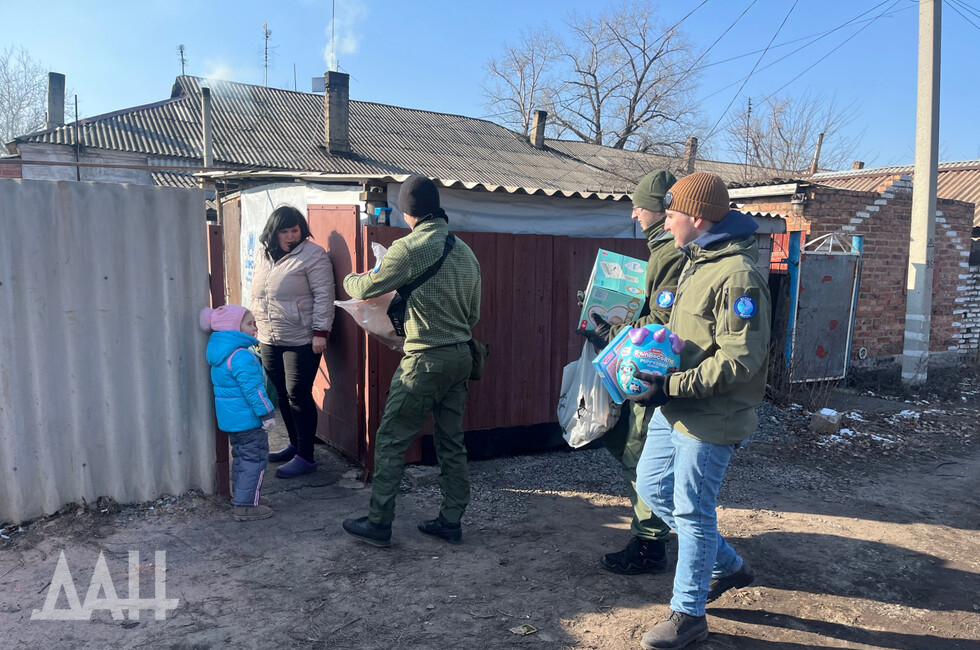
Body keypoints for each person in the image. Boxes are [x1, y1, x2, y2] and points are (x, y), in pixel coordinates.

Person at [626, 172, 770, 650]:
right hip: (678, 403)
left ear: (698, 217)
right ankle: (728, 565)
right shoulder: (696, 260)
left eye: (670, 214)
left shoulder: (737, 274)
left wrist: (671, 384)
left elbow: (739, 361)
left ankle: (688, 617)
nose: (663, 221)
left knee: (692, 511)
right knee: (650, 486)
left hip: (712, 414)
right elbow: (680, 328)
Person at [341, 175, 481, 547]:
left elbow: (367, 287)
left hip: (424, 361)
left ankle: (379, 523)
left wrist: (351, 278)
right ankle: (451, 520)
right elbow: (474, 314)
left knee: (390, 439)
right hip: (460, 357)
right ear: (437, 208)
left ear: (406, 212)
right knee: (451, 441)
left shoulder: (408, 248)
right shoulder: (466, 252)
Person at [578, 169, 684, 576]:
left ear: (659, 210)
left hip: (654, 372)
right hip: (647, 368)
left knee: (640, 455)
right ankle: (650, 535)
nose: (634, 214)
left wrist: (611, 330)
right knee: (631, 448)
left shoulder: (670, 254)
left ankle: (650, 545)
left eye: (639, 206)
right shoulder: (662, 251)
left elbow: (660, 325)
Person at [249, 205, 335, 479]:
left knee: (298, 393)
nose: (290, 236)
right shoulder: (263, 254)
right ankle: (296, 445)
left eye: (294, 230)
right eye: (284, 231)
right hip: (269, 336)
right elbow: (259, 294)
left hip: (302, 337)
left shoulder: (313, 255)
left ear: (302, 230)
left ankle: (307, 457)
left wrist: (321, 332)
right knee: (281, 394)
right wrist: (252, 325)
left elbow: (324, 294)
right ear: (273, 233)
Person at [200, 305, 277, 522]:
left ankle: (246, 497)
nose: (255, 327)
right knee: (256, 459)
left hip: (232, 419)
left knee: (242, 458)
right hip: (249, 419)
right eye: (249, 323)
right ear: (234, 327)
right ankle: (245, 506)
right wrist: (267, 414)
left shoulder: (220, 352)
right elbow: (254, 390)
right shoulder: (242, 355)